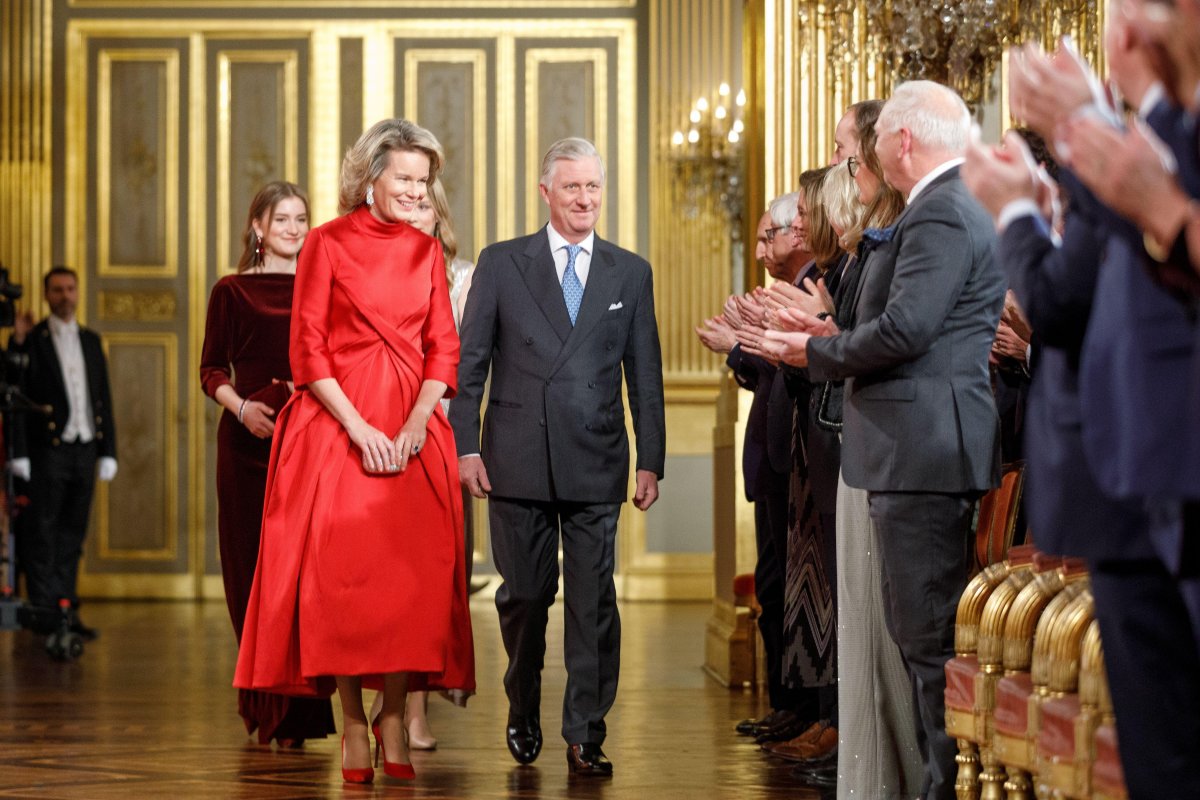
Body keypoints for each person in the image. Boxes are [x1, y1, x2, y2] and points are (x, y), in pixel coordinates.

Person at [751, 82, 1005, 800]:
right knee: (919, 641)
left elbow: (908, 331)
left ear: (900, 143)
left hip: (923, 449)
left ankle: (940, 790)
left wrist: (817, 353)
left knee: (927, 647)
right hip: (918, 444)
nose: (854, 161)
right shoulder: (945, 205)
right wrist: (831, 340)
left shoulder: (942, 212)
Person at [234, 118, 475, 785]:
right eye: (404, 178)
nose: (415, 190)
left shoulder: (428, 253)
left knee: (413, 585)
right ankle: (352, 722)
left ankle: (394, 712)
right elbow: (306, 351)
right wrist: (361, 429)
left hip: (413, 430)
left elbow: (443, 348)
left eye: (423, 181)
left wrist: (420, 421)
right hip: (338, 429)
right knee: (343, 588)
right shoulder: (325, 244)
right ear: (371, 176)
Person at [449, 136, 665, 777]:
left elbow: (644, 375)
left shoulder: (630, 272)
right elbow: (471, 367)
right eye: (572, 187)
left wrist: (650, 457)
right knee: (524, 597)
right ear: (546, 192)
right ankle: (521, 706)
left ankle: (585, 731)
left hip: (596, 459)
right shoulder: (502, 262)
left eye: (594, 187)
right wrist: (465, 447)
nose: (585, 198)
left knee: (595, 601)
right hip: (514, 460)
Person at [199, 181, 336, 748]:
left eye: (301, 218)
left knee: (301, 579)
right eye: (282, 218)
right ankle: (262, 699)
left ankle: (298, 712)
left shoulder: (323, 286)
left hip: (306, 440)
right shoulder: (231, 291)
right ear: (258, 226)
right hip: (247, 443)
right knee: (248, 573)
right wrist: (244, 408)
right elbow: (210, 371)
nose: (294, 228)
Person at [362, 178, 475, 752]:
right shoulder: (373, 268)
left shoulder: (466, 276)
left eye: (427, 203)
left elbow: (470, 359)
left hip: (443, 435)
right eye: (409, 201)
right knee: (391, 577)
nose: (416, 211)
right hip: (383, 429)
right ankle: (387, 707)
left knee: (436, 579)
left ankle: (415, 712)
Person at [696, 198, 813, 744]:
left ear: (801, 233)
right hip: (773, 458)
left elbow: (796, 366)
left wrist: (740, 343)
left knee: (790, 587)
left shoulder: (813, 290)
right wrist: (742, 346)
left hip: (800, 459)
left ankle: (803, 709)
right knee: (773, 585)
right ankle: (788, 706)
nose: (762, 250)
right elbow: (767, 375)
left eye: (770, 237)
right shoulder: (784, 293)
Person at [8, 266, 117, 640]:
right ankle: (44, 614)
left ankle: (66, 611)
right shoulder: (33, 341)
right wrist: (18, 453)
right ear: (46, 295)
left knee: (73, 534)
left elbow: (102, 398)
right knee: (42, 533)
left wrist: (108, 450)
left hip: (85, 450)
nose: (65, 296)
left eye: (70, 289)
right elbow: (14, 392)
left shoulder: (90, 339)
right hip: (47, 451)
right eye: (57, 290)